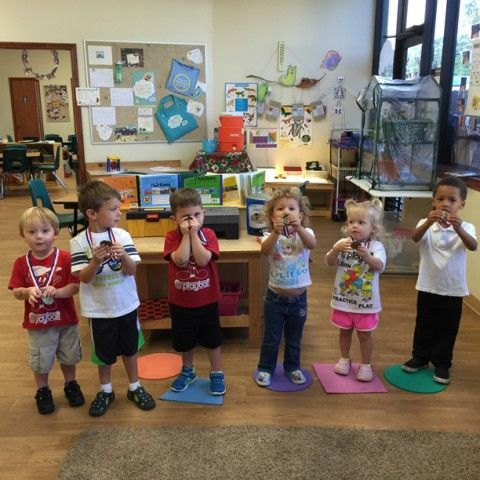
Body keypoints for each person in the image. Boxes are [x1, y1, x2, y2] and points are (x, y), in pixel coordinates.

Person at [70, 181, 155, 416]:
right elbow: (84, 279)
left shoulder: (122, 235)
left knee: (130, 348)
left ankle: (134, 386)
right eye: (114, 209)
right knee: (103, 353)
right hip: (99, 310)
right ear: (92, 213)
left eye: (119, 208)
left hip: (126, 305)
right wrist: (95, 261)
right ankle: (106, 390)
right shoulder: (77, 242)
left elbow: (131, 271)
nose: (120, 213)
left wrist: (124, 255)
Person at [9, 207, 84, 414]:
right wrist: (27, 291)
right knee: (41, 361)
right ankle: (43, 391)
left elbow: (76, 287)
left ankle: (71, 384)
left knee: (69, 357)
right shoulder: (20, 264)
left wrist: (58, 292)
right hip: (38, 324)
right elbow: (16, 291)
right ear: (22, 235)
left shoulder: (66, 258)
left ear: (55, 232)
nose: (39, 236)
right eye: (32, 232)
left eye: (44, 230)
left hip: (66, 321)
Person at [402, 177, 477, 384]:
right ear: (433, 201)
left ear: (461, 204)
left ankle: (442, 363)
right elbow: (415, 238)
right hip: (427, 285)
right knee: (424, 323)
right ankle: (420, 357)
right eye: (440, 199)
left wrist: (458, 228)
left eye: (452, 200)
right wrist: (428, 221)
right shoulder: (425, 224)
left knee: (448, 327)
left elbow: (472, 246)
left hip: (453, 289)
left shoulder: (467, 227)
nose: (445, 204)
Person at [163, 188, 226, 395]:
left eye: (197, 214)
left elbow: (202, 260)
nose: (193, 220)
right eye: (186, 217)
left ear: (203, 214)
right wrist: (186, 236)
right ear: (175, 219)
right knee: (185, 341)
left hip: (207, 300)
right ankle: (188, 370)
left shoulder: (208, 234)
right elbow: (181, 261)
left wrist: (194, 234)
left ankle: (216, 372)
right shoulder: (171, 237)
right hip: (181, 302)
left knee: (212, 340)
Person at [256, 187, 316, 387]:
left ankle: (292, 367)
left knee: (294, 338)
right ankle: (265, 368)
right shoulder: (269, 235)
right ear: (272, 216)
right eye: (280, 208)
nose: (286, 212)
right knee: (271, 338)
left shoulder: (305, 233)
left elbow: (312, 244)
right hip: (275, 298)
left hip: (299, 299)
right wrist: (275, 232)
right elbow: (265, 251)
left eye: (291, 208)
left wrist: (298, 229)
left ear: (300, 215)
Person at [325, 199, 386, 382]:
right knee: (344, 331)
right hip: (344, 301)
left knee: (364, 335)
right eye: (351, 222)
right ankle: (344, 358)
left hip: (365, 303)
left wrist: (367, 257)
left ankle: (366, 364)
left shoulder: (376, 247)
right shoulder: (342, 243)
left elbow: (380, 266)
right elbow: (329, 262)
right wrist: (335, 249)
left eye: (361, 223)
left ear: (373, 228)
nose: (355, 226)